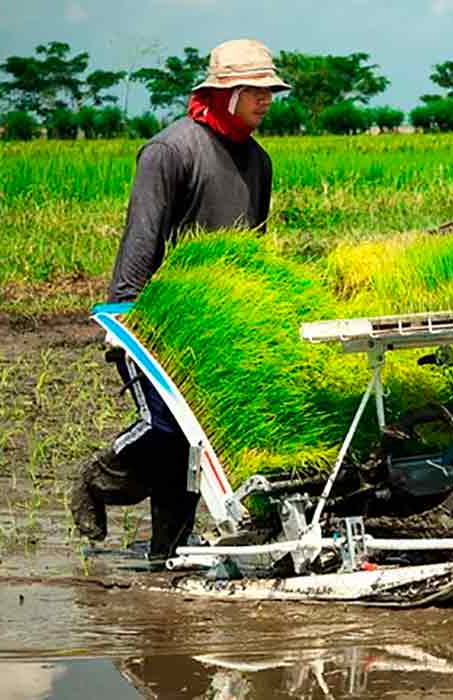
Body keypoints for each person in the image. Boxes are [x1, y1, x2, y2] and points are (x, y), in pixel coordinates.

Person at [69, 38, 291, 563]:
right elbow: (142, 238)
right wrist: (123, 318)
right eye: (256, 91)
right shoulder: (170, 151)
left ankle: (168, 554)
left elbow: (249, 252)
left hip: (221, 327)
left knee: (198, 450)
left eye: (269, 91)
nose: (267, 100)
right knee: (165, 432)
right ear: (224, 93)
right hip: (158, 323)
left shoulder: (259, 163)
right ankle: (99, 480)